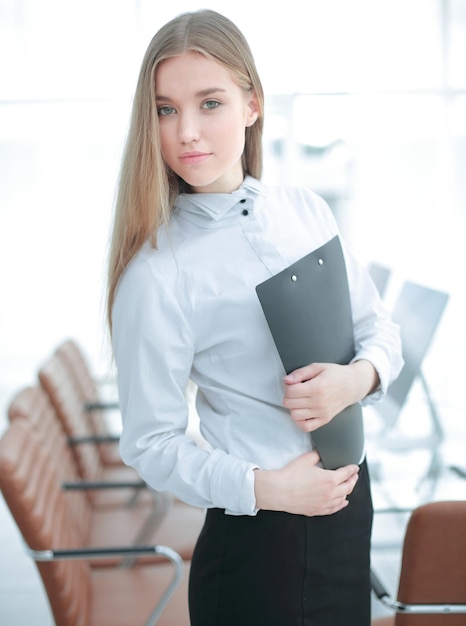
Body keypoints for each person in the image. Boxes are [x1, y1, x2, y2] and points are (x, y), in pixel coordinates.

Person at [107, 9, 403, 626]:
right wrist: (267, 490)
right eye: (165, 110)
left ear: (252, 103)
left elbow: (381, 330)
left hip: (350, 510)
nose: (186, 131)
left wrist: (355, 380)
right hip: (257, 542)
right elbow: (150, 444)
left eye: (209, 103)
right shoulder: (157, 273)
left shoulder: (305, 210)